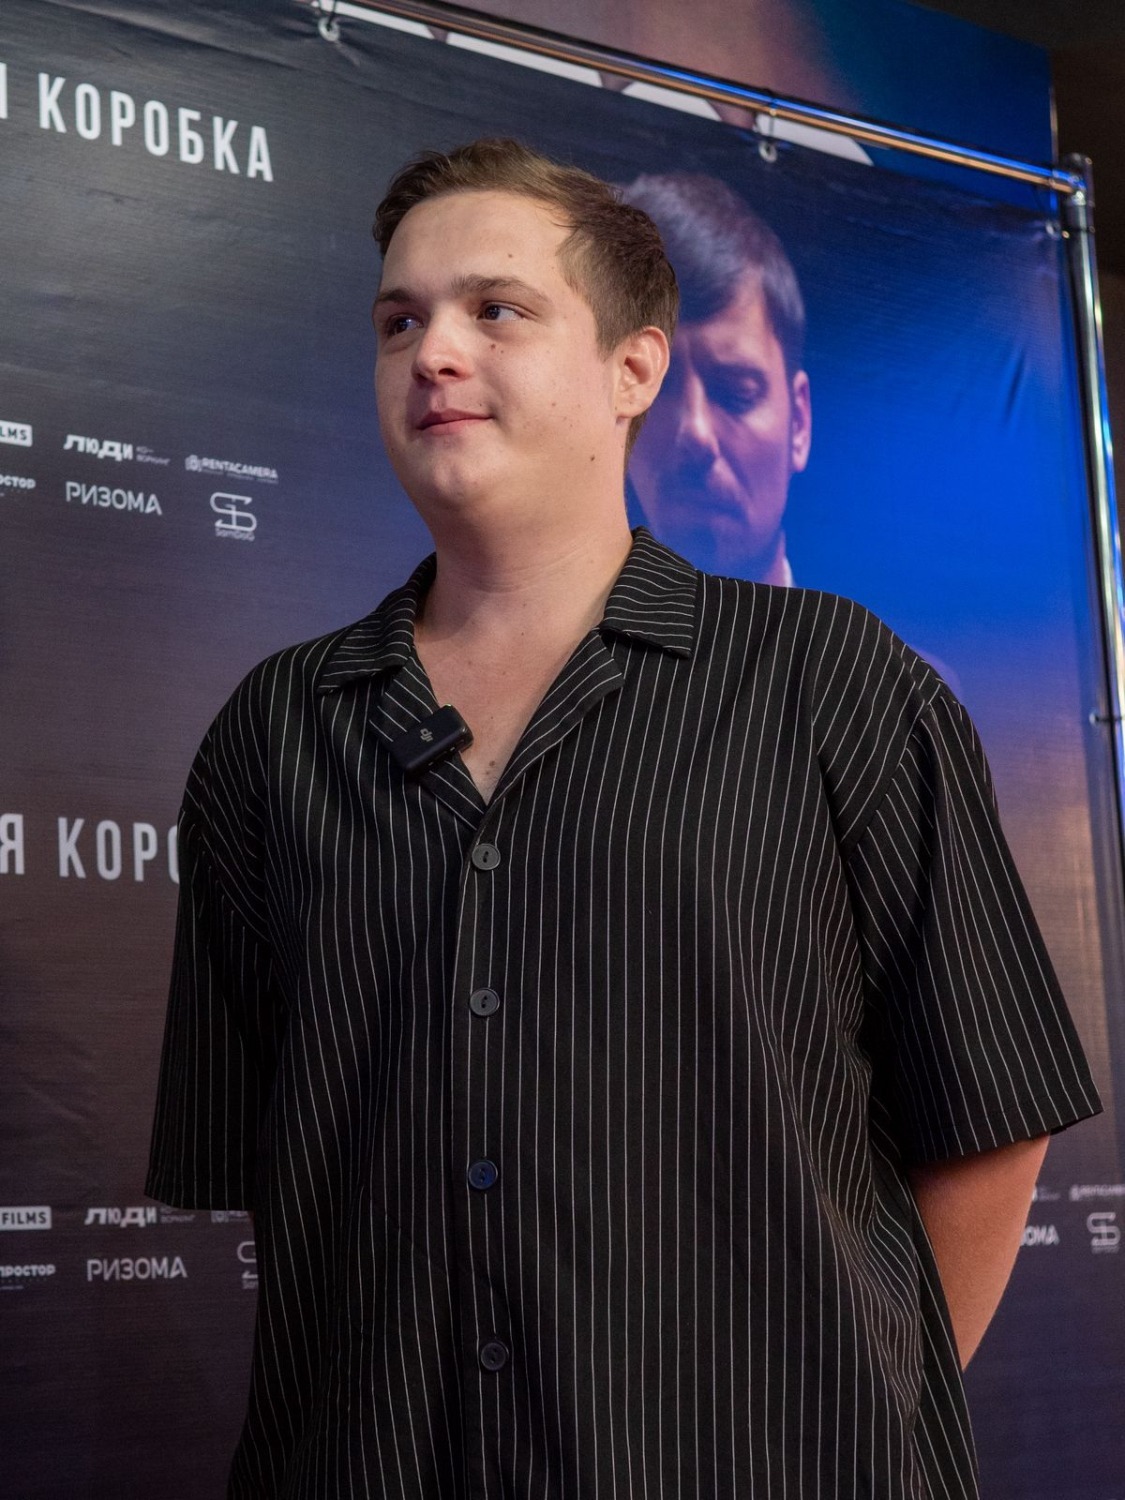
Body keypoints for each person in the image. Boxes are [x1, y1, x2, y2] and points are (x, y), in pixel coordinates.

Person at [146, 138, 1099, 1499]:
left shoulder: (835, 683)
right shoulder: (274, 732)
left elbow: (992, 1118)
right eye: (400, 321)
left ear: (633, 367)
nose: (434, 352)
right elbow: (273, 1169)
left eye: (497, 310)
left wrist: (842, 1421)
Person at [621, 171, 811, 583]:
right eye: (656, 387)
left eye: (737, 393)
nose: (696, 433)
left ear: (799, 423)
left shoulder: (874, 631)